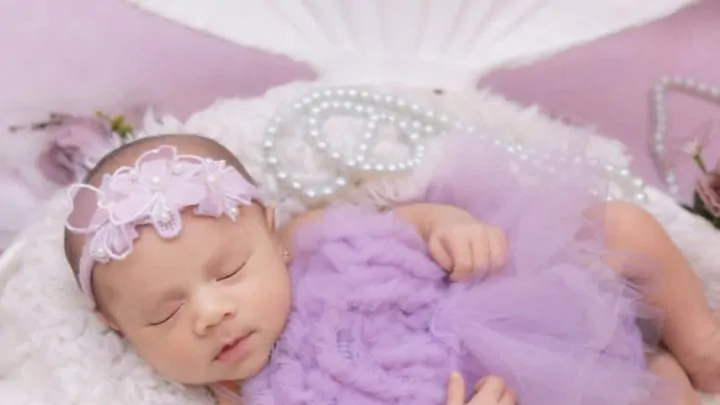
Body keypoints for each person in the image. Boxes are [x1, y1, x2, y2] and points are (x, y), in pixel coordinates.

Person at [63, 133, 714, 405]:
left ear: (267, 232)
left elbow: (400, 221)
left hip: (507, 285)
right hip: (507, 387)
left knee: (621, 227)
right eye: (165, 314)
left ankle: (700, 341)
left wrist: (449, 227)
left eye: (230, 270)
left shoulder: (305, 238)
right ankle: (671, 376)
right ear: (117, 327)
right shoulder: (240, 396)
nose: (211, 313)